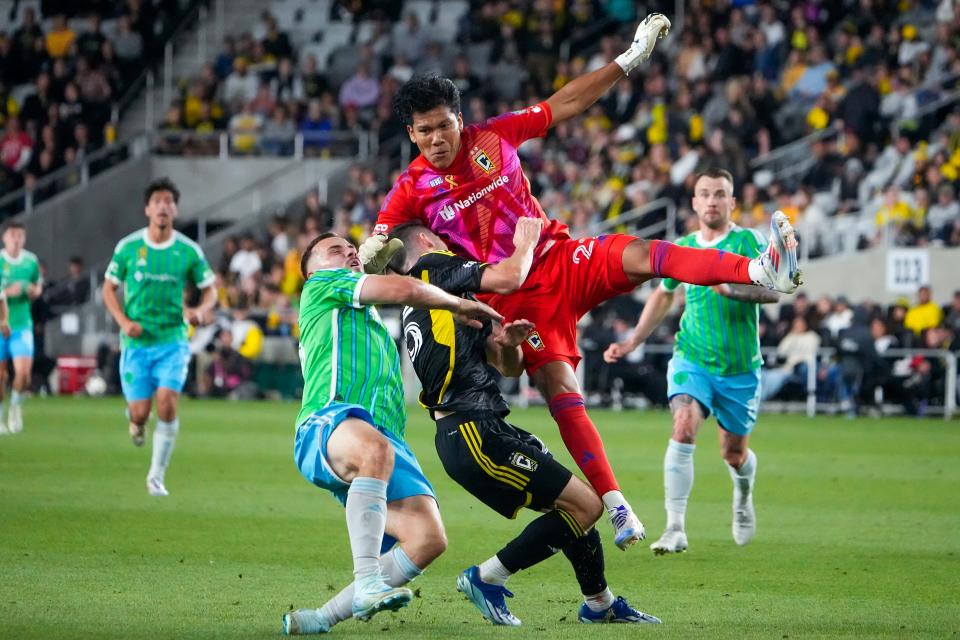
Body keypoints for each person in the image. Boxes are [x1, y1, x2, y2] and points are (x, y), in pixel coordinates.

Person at [362, 13, 802, 550]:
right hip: (514, 295)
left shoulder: (494, 136)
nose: (435, 140)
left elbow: (564, 103)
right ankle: (617, 507)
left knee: (643, 254)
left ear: (459, 119)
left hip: (562, 256)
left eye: (443, 126)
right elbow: (377, 249)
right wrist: (374, 252)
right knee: (559, 390)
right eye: (424, 131)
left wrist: (627, 60)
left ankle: (758, 269)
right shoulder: (410, 189)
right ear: (411, 133)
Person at [390, 219, 661, 625]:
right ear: (427, 241)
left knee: (573, 503)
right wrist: (529, 239)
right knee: (587, 506)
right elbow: (511, 275)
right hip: (473, 434)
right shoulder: (433, 266)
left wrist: (510, 344)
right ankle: (487, 577)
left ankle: (600, 604)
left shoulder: (436, 299)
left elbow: (508, 367)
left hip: (480, 428)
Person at [282, 232, 503, 635]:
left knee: (428, 538)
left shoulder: (364, 315)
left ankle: (321, 618)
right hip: (327, 421)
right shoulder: (322, 285)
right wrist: (457, 300)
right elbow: (404, 288)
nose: (348, 252)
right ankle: (368, 581)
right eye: (336, 250)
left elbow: (405, 297)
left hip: (382, 439)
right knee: (374, 450)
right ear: (311, 268)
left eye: (352, 249)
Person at [604, 169, 788, 554]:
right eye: (704, 194)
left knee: (733, 454)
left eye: (720, 194)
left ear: (732, 202)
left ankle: (741, 494)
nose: (712, 201)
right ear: (693, 203)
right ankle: (674, 528)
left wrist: (733, 290)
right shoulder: (684, 246)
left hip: (740, 366)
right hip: (693, 357)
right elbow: (663, 295)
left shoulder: (748, 241)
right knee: (684, 426)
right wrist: (634, 340)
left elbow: (774, 293)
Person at [102, 178, 218, 497]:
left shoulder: (187, 250)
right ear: (147, 209)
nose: (163, 206)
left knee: (167, 403)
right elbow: (108, 289)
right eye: (158, 201)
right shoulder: (128, 248)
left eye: (169, 201)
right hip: (137, 342)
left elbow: (211, 288)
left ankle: (156, 476)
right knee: (139, 413)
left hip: (173, 340)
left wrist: (201, 308)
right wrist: (123, 321)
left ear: (175, 209)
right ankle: (136, 423)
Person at [0, 222, 43, 434]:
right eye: (12, 235)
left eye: (20, 236)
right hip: (0, 326)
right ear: (4, 238)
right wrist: (8, 292)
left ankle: (15, 406)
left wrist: (34, 290)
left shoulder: (30, 261)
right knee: (1, 375)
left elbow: (38, 285)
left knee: (24, 373)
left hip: (22, 324)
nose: (16, 239)